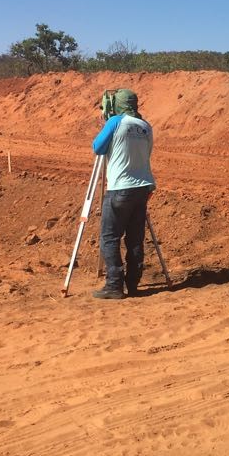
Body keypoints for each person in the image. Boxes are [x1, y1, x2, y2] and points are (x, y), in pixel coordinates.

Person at [91, 89, 156, 299]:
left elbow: (98, 147)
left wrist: (106, 123)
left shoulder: (116, 121)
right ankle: (133, 284)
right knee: (135, 239)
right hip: (143, 188)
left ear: (116, 104)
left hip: (121, 188)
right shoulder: (146, 126)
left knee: (109, 237)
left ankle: (114, 285)